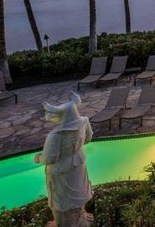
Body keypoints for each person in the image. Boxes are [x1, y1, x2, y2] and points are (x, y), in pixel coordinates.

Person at [35, 92, 94, 226]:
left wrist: (38, 158)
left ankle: (63, 223)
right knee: (79, 192)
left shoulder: (55, 136)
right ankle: (80, 218)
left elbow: (49, 158)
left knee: (62, 199)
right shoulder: (84, 122)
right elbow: (88, 138)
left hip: (60, 171)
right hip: (79, 162)